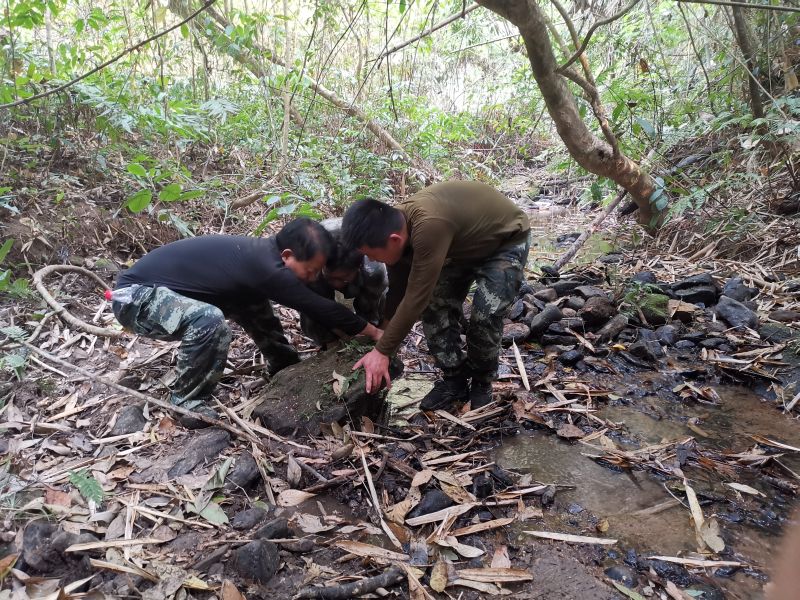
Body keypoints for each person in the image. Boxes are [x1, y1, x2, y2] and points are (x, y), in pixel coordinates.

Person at [111, 218, 383, 427]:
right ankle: (187, 401)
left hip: (165, 294)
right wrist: (372, 331)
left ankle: (283, 364)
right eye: (310, 270)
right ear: (287, 255)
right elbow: (316, 306)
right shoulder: (265, 265)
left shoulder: (259, 259)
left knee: (252, 301)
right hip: (136, 298)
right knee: (208, 321)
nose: (313, 278)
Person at [341, 180, 530, 411]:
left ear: (394, 240)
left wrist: (382, 352)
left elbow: (415, 296)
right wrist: (384, 332)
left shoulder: (428, 228)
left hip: (504, 240)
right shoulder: (395, 230)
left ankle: (482, 382)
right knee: (433, 307)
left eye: (372, 255)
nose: (373, 261)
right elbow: (399, 290)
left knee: (485, 316)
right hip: (459, 246)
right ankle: (455, 379)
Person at [300, 218, 388, 347]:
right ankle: (328, 343)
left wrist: (367, 330)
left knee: (371, 309)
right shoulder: (310, 264)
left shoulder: (373, 269)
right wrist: (340, 336)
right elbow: (313, 307)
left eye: (344, 278)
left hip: (361, 278)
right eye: (332, 278)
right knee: (312, 311)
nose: (337, 284)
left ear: (358, 268)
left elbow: (374, 304)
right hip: (319, 275)